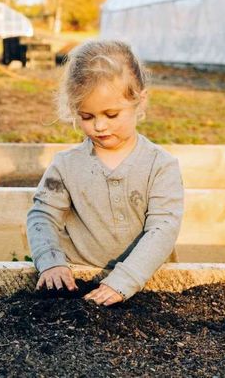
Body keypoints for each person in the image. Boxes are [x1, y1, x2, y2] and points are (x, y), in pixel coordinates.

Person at [26, 40, 183, 305]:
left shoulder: (160, 166)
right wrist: (51, 262)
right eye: (87, 117)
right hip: (80, 284)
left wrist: (125, 280)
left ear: (139, 100)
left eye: (111, 114)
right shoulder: (66, 166)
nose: (99, 126)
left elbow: (163, 228)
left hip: (148, 283)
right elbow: (43, 215)